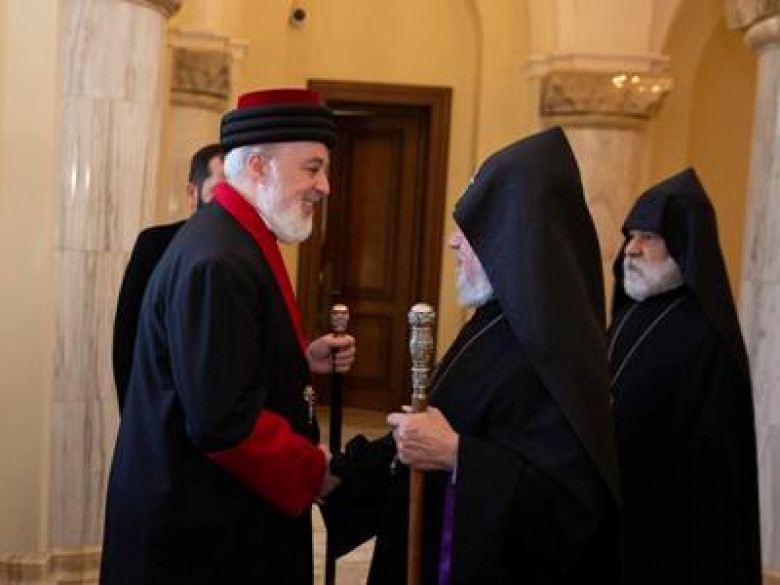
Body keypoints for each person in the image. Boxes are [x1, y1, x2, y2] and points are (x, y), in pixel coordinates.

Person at [324, 127, 620, 584]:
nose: (453, 241)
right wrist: (339, 474)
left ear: (516, 239)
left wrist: (458, 455)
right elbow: (446, 419)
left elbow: (570, 508)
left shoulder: (558, 350)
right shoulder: (493, 321)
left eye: (473, 230)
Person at [100, 89, 356, 585]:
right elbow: (224, 421)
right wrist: (314, 472)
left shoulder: (233, 238)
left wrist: (299, 358)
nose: (324, 186)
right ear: (258, 167)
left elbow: (226, 362)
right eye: (312, 168)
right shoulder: (219, 259)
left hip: (215, 514)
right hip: (200, 536)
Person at [608, 168, 761, 585]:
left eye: (648, 237)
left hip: (671, 535)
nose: (631, 250)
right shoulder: (627, 317)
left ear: (683, 244)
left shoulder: (705, 339)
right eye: (630, 236)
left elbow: (710, 469)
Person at [112, 143, 225, 412]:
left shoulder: (251, 252)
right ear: (192, 193)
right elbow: (127, 341)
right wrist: (134, 417)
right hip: (161, 414)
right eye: (222, 192)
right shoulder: (154, 245)